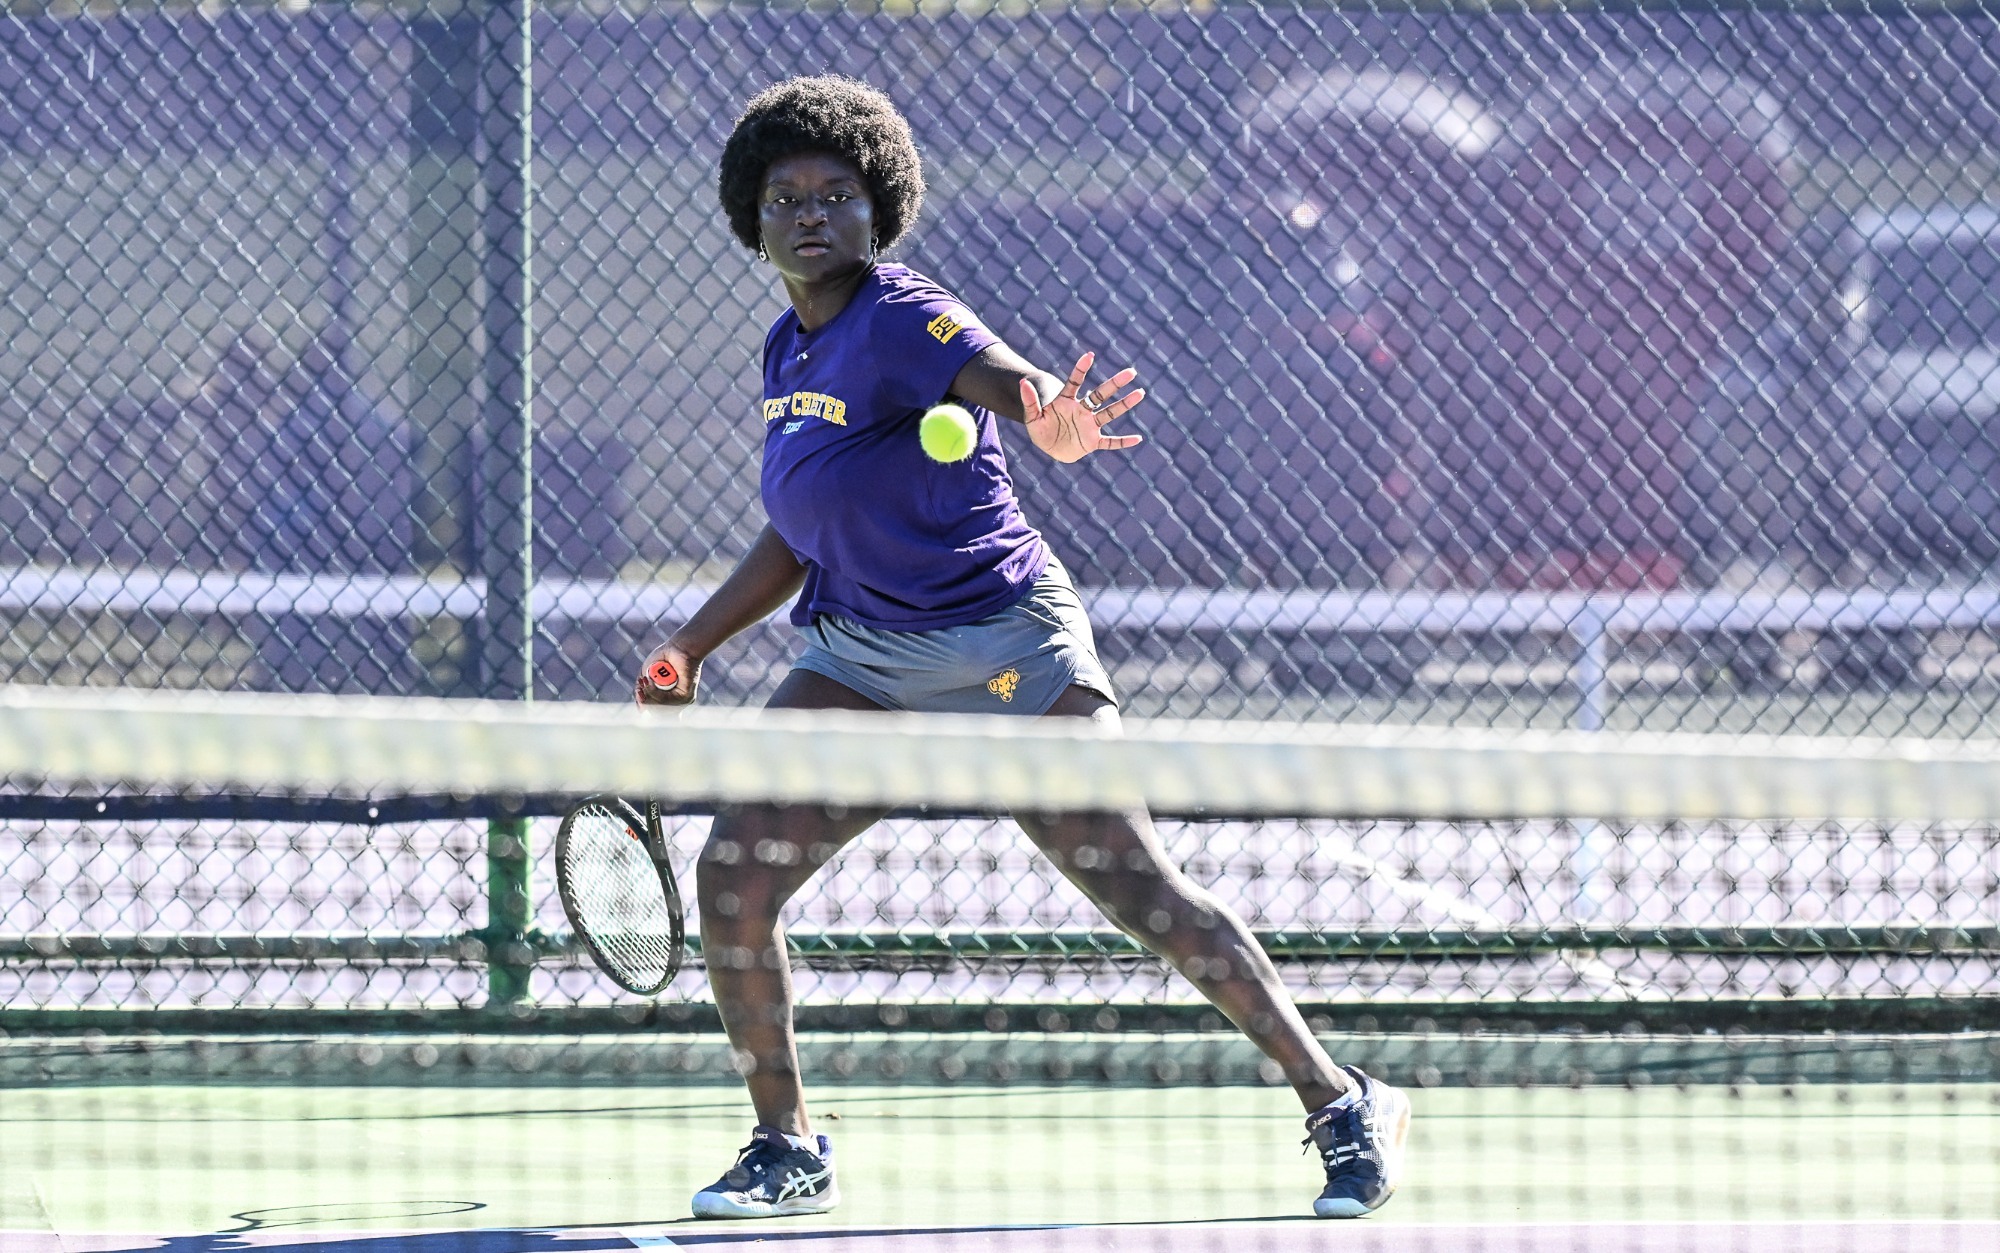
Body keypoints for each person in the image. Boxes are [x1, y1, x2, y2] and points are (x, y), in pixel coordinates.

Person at [636, 74, 1410, 1222]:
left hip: (1010, 652)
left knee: (1136, 887)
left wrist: (1045, 407)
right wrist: (693, 643)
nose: (809, 213)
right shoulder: (784, 352)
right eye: (784, 194)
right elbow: (803, 525)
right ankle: (785, 1141)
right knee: (734, 876)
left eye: (835, 193)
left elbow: (1007, 378)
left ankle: (1339, 1095)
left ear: (876, 208)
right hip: (863, 664)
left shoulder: (901, 314)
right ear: (751, 217)